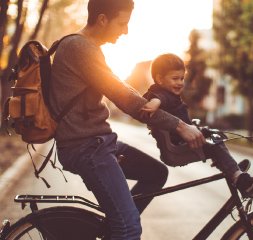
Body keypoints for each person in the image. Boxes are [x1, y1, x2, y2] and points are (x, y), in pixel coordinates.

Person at [49, 1, 206, 239]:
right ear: (102, 19)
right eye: (122, 23)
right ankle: (121, 227)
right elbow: (125, 98)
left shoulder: (85, 47)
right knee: (130, 228)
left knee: (155, 174)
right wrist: (180, 126)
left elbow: (123, 91)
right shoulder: (79, 47)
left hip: (100, 143)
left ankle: (115, 227)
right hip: (86, 148)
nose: (125, 31)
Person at [142, 53, 253, 198]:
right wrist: (155, 103)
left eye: (182, 78)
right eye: (175, 78)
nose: (180, 83)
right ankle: (240, 178)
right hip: (177, 146)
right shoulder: (160, 95)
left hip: (182, 140)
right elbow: (158, 99)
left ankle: (231, 168)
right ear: (159, 79)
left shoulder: (166, 93)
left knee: (217, 135)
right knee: (213, 145)